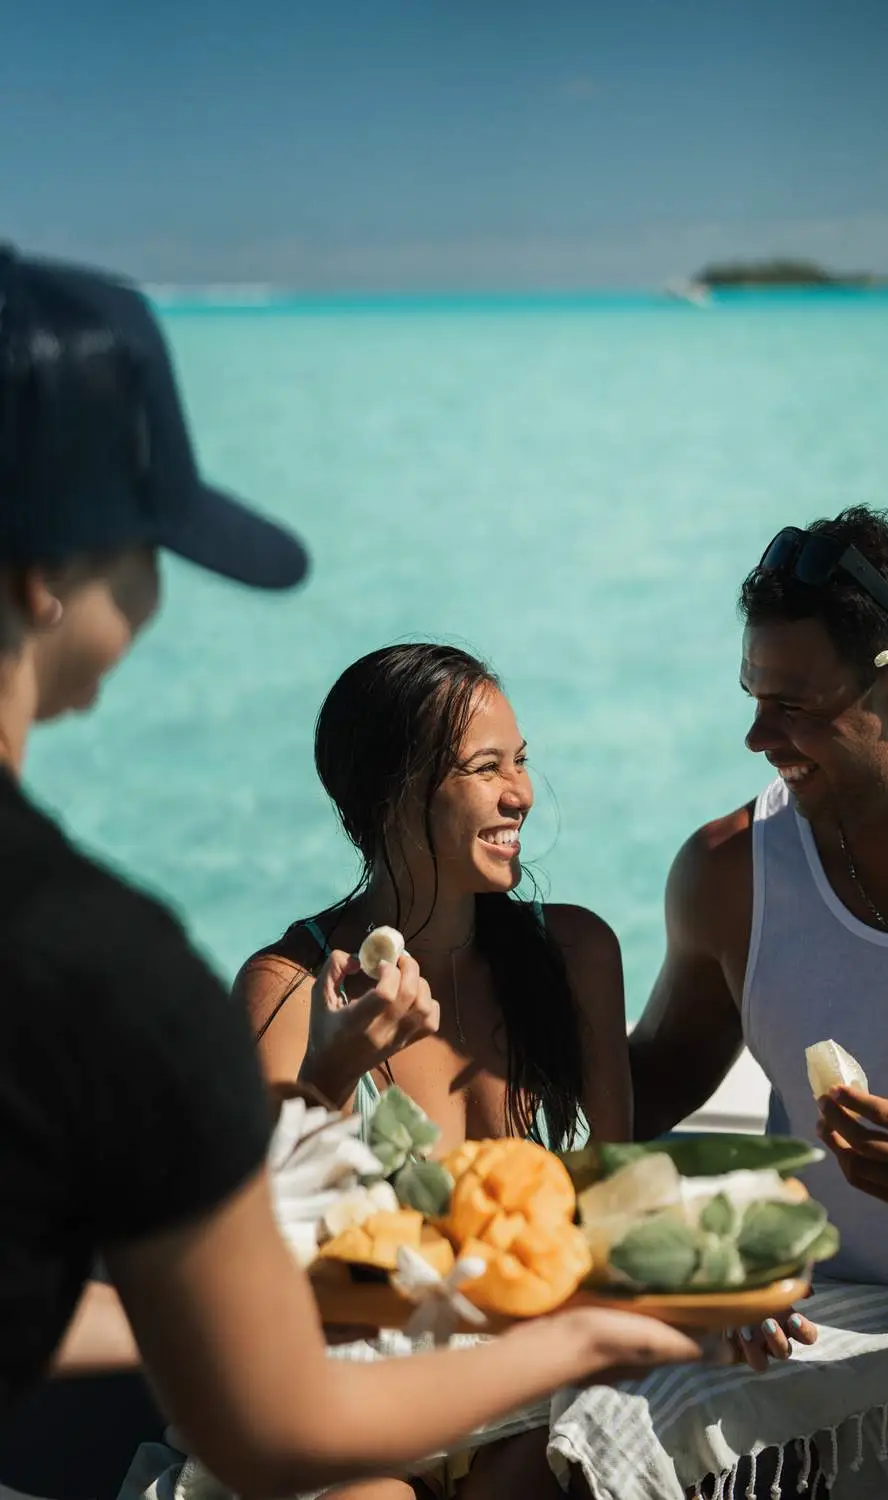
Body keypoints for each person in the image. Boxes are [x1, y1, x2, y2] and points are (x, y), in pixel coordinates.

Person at [0, 248, 724, 1499]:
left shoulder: (563, 958)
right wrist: (580, 1333)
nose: (158, 593)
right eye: (150, 550)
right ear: (42, 583)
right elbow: (270, 1418)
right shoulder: (105, 967)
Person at [548, 508, 888, 1500]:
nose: (757, 738)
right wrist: (492, 1002)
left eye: (792, 706)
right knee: (586, 1434)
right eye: (753, 699)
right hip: (810, 1320)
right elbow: (645, 1086)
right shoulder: (733, 876)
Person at [227, 641, 629, 1499]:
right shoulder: (292, 986)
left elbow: (619, 1205)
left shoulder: (577, 955)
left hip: (535, 1390)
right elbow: (249, 1269)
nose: (520, 792)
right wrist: (332, 1073)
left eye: (520, 763)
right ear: (394, 796)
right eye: (487, 769)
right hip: (358, 1407)